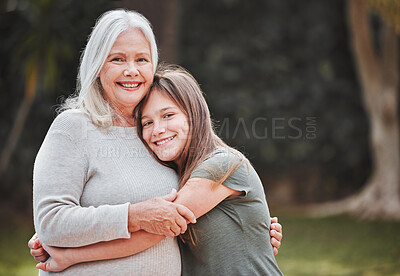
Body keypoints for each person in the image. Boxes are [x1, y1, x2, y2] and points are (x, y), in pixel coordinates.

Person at [29, 9, 282, 275]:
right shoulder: (74, 127)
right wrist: (131, 216)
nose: (131, 70)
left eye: (141, 59)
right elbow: (51, 222)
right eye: (117, 58)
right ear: (97, 65)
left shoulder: (155, 143)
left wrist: (257, 228)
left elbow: (174, 223)